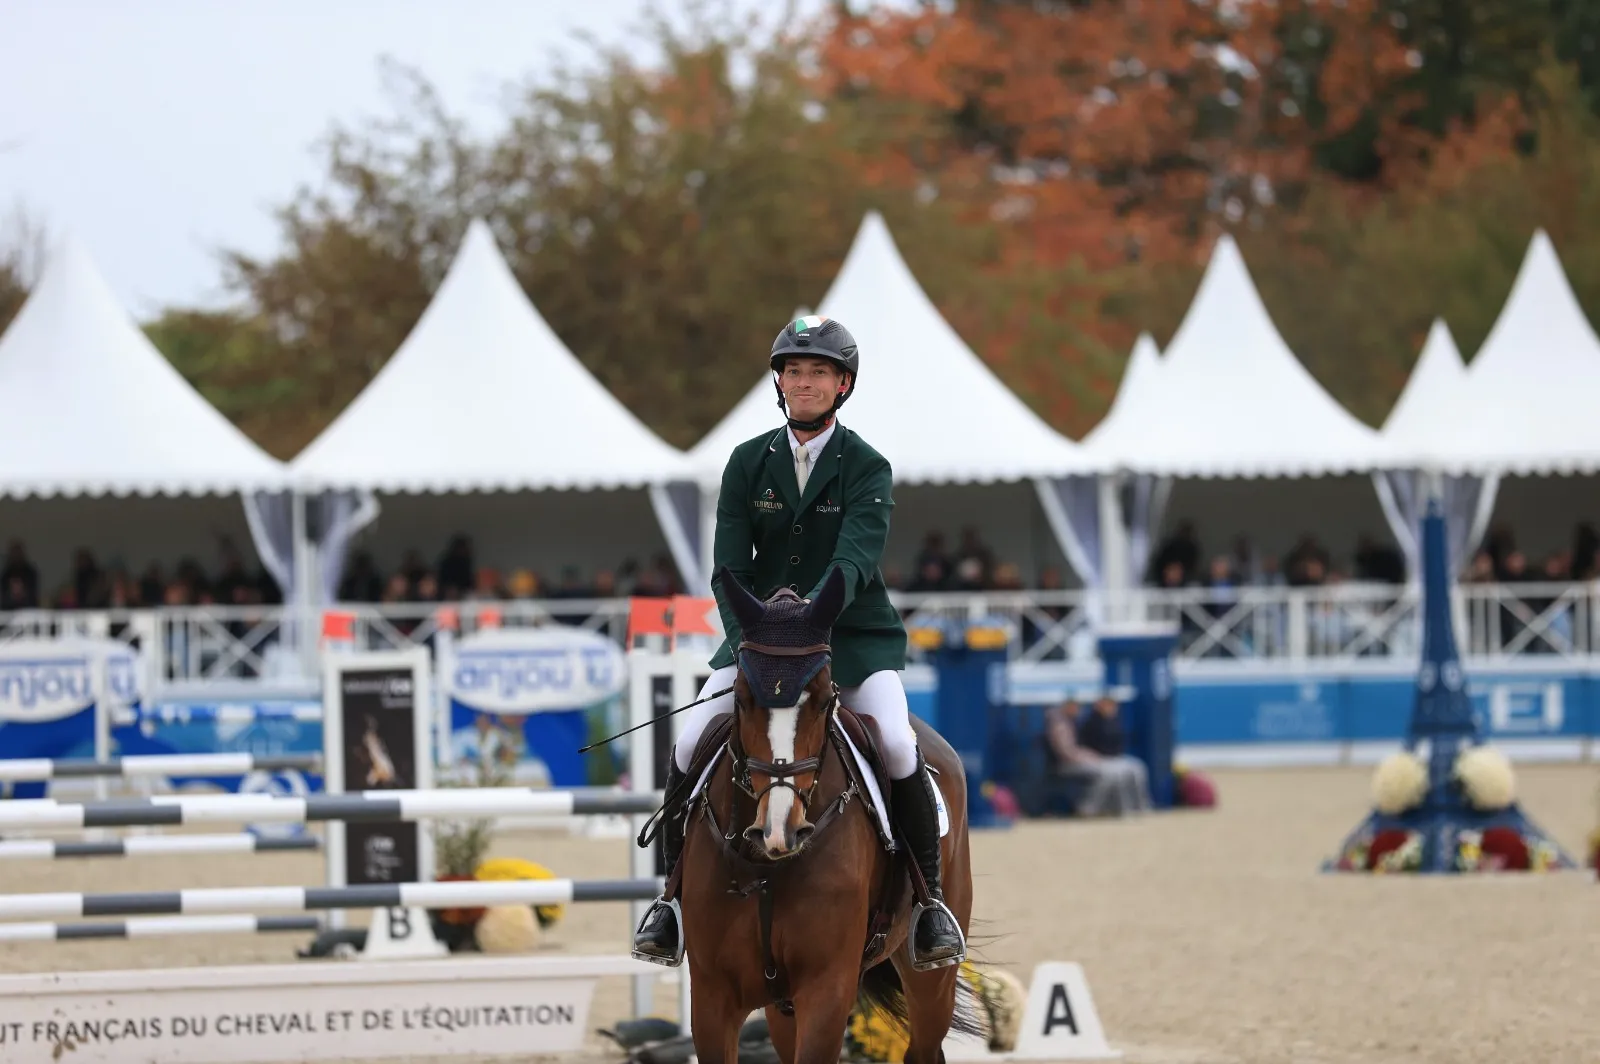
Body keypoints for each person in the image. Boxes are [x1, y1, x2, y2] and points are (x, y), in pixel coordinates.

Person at [631, 314, 966, 971]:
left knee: (898, 743)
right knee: (689, 738)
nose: (804, 382)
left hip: (852, 641)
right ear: (779, 382)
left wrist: (809, 636)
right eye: (794, 371)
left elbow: (853, 563)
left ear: (842, 385)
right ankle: (668, 902)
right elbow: (728, 570)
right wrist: (751, 643)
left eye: (818, 372)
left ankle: (928, 906)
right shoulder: (746, 462)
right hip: (758, 647)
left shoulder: (866, 466)